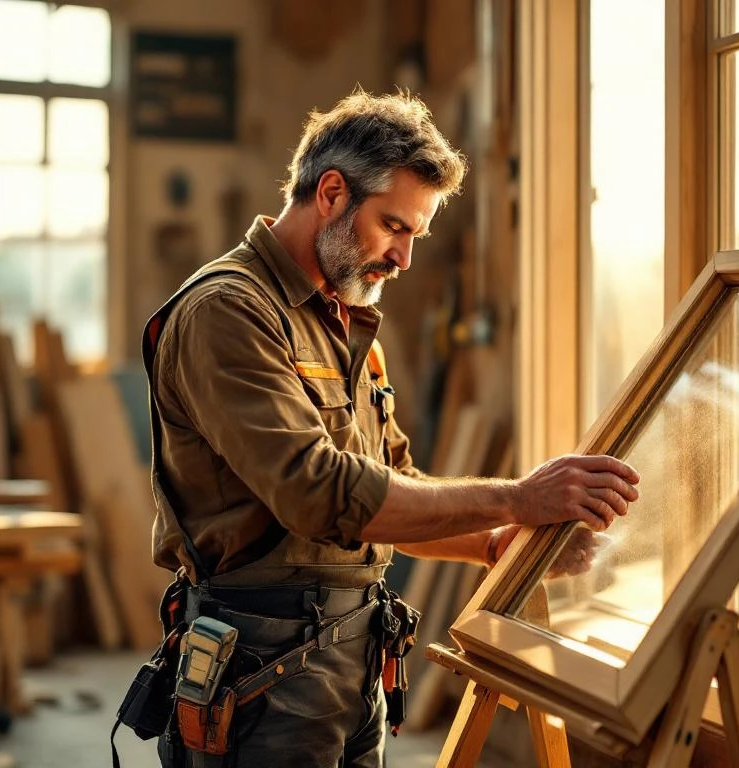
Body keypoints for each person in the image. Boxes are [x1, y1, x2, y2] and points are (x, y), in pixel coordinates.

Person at [139, 89, 640, 768]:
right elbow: (320, 492)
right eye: (393, 226)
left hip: (354, 654)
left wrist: (495, 544)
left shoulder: (344, 323)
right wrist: (518, 498)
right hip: (259, 670)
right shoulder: (227, 311)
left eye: (414, 235)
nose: (403, 257)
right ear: (332, 193)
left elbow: (391, 489)